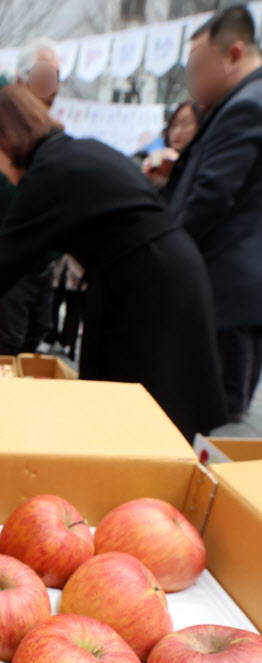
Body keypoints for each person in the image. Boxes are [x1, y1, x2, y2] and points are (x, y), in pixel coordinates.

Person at [0, 85, 227, 441]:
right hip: (165, 272)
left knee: (147, 420)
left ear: (9, 140)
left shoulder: (47, 172)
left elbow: (2, 260)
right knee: (129, 413)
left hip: (150, 288)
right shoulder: (76, 152)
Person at [165, 5, 262, 422]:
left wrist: (163, 252)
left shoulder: (247, 105)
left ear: (234, 54)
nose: (193, 81)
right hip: (230, 296)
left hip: (228, 298)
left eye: (199, 67)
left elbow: (213, 194)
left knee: (216, 422)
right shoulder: (240, 101)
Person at [0, 38, 62, 355]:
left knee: (36, 332)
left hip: (43, 256)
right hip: (13, 250)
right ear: (20, 78)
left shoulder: (48, 128)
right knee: (11, 337)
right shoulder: (3, 116)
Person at [142, 101, 201, 187]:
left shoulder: (203, 165)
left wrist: (178, 168)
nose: (177, 132)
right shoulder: (157, 157)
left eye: (186, 124)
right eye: (173, 125)